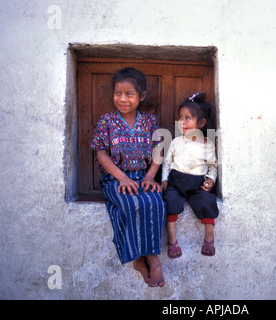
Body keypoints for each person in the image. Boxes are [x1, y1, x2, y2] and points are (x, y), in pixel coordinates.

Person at [89, 67, 166, 287]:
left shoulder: (150, 121)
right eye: (117, 93)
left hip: (143, 176)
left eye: (129, 94)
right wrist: (122, 178)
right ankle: (149, 259)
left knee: (155, 202)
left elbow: (158, 150)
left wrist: (151, 176)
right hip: (115, 178)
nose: (122, 99)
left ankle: (142, 257)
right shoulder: (107, 121)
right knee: (130, 203)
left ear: (141, 96)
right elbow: (101, 153)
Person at [161, 91, 219, 259]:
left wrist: (210, 179)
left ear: (201, 122)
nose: (182, 122)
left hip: (197, 184)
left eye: (188, 118)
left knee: (207, 201)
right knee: (170, 201)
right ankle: (172, 241)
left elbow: (212, 166)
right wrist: (164, 180)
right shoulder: (175, 142)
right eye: (181, 117)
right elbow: (166, 162)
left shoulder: (207, 145)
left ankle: (209, 238)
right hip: (176, 182)